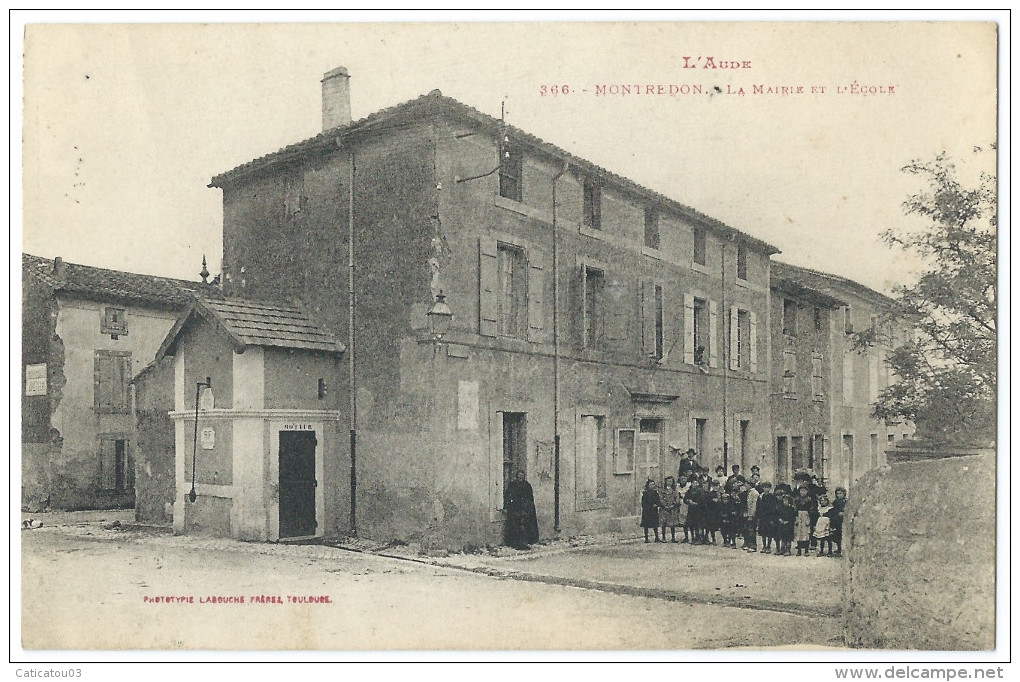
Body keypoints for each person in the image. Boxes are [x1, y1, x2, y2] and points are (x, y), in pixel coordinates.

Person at [504, 470, 539, 550]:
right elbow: (507, 495)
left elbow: (530, 498)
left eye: (522, 477)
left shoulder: (527, 485)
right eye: (519, 476)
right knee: (515, 526)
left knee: (525, 527)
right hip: (515, 509)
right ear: (517, 477)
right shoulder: (512, 485)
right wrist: (508, 506)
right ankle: (515, 543)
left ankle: (524, 543)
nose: (520, 478)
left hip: (524, 509)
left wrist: (528, 508)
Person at [793, 485, 816, 556]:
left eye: (804, 491)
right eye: (801, 490)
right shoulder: (797, 499)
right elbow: (795, 509)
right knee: (799, 533)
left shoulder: (809, 499)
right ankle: (799, 550)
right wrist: (796, 518)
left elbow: (811, 509)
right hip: (799, 515)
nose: (802, 492)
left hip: (806, 516)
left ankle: (806, 550)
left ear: (807, 492)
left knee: (806, 534)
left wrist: (809, 519)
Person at [756, 482, 777, 554]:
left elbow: (774, 508)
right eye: (765, 487)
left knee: (769, 532)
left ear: (770, 488)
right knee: (763, 532)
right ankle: (764, 546)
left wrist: (772, 518)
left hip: (769, 517)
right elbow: (758, 507)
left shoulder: (772, 496)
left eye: (767, 487)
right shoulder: (760, 496)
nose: (766, 489)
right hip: (762, 517)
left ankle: (768, 546)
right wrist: (758, 516)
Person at [658, 476, 681, 542]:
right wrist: (665, 506)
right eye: (668, 481)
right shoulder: (662, 490)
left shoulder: (675, 491)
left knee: (672, 524)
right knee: (663, 523)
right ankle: (663, 537)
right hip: (664, 509)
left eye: (671, 481)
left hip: (672, 509)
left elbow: (677, 499)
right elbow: (661, 498)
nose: (669, 483)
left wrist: (672, 505)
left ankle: (673, 538)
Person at [640, 478, 662, 543]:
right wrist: (648, 507)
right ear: (648, 486)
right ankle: (646, 538)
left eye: (653, 484)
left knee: (655, 525)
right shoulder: (645, 493)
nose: (652, 486)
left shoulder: (655, 493)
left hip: (654, 511)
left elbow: (658, 501)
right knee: (646, 525)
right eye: (650, 485)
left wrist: (656, 504)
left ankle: (656, 537)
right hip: (647, 511)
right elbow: (643, 503)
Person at [741, 480, 760, 552]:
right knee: (747, 529)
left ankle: (753, 546)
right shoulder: (748, 493)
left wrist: (751, 515)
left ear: (750, 485)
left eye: (746, 484)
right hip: (748, 513)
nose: (745, 486)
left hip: (752, 515)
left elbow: (754, 505)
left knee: (752, 530)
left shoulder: (754, 493)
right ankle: (748, 544)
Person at [830, 487, 847, 557]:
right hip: (837, 520)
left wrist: (843, 513)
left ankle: (842, 549)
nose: (839, 495)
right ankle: (838, 548)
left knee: (842, 534)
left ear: (844, 494)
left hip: (843, 520)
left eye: (840, 493)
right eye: (837, 494)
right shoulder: (835, 502)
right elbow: (834, 510)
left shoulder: (846, 502)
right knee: (837, 534)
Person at [676, 475, 691, 543]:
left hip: (687, 504)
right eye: (682, 478)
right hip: (680, 504)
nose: (683, 480)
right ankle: (686, 536)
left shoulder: (689, 486)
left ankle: (693, 536)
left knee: (689, 520)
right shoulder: (677, 486)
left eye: (684, 478)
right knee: (683, 521)